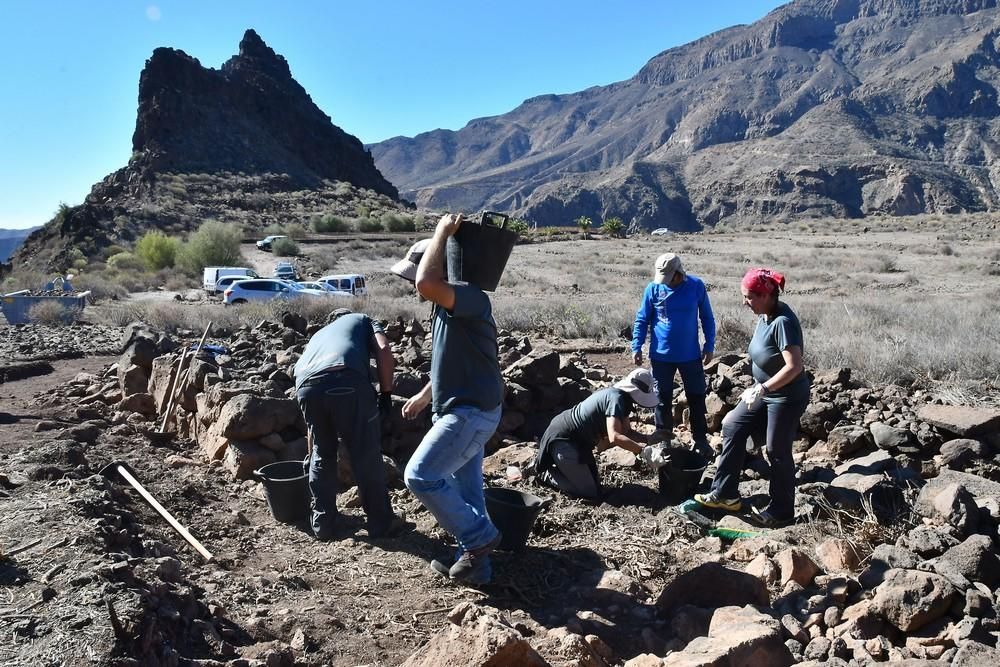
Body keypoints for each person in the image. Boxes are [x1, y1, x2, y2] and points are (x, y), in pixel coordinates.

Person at [390, 214, 505, 584]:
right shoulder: (447, 309)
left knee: (419, 475)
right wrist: (426, 397)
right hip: (462, 408)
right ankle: (478, 568)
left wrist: (441, 231)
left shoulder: (470, 298)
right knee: (468, 490)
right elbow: (447, 362)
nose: (412, 284)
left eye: (416, 275)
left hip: (470, 413)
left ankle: (480, 538)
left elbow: (426, 281)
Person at [694, 268, 810, 527]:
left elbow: (794, 367)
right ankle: (725, 494)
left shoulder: (783, 322)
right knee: (732, 425)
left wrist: (765, 387)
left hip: (785, 396)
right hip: (764, 390)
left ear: (766, 295)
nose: (744, 302)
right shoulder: (765, 315)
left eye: (749, 297)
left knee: (776, 450)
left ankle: (782, 511)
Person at [293, 308, 403, 540]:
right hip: (346, 379)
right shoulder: (364, 319)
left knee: (323, 454)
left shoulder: (319, 334)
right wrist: (385, 393)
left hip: (306, 386)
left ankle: (323, 525)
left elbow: (314, 437)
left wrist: (311, 454)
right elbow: (383, 349)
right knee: (365, 452)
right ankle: (381, 524)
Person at [534, 367, 668, 501]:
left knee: (595, 485)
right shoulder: (616, 399)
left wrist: (648, 438)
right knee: (590, 493)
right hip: (564, 439)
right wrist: (643, 452)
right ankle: (545, 473)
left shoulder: (623, 399)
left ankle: (564, 467)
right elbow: (614, 436)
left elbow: (626, 432)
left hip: (578, 443)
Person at [631, 252, 716, 459]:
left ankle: (700, 440)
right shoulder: (653, 289)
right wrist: (637, 345)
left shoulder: (696, 286)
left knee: (696, 396)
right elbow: (642, 319)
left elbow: (707, 317)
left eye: (670, 277)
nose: (667, 282)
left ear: (679, 272)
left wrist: (709, 345)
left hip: (690, 355)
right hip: (661, 356)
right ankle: (664, 440)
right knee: (661, 399)